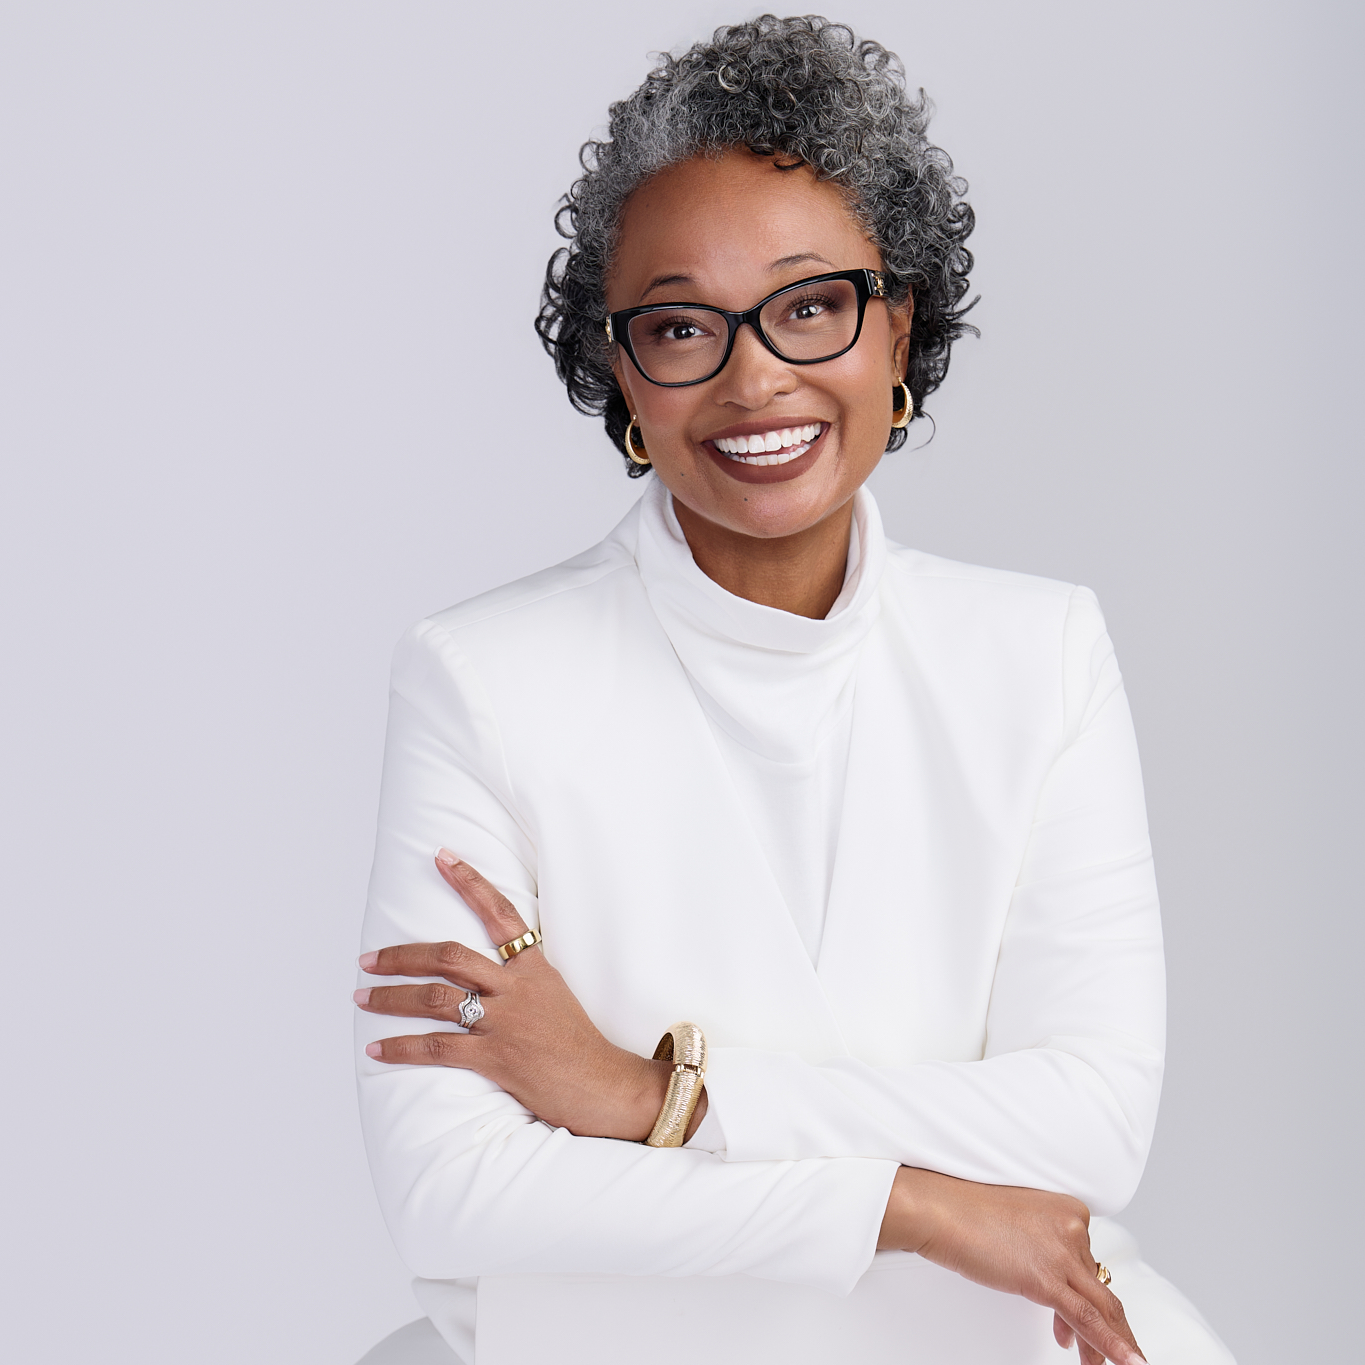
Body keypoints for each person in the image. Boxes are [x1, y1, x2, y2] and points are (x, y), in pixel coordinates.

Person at [353, 16, 1235, 1365]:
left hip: (996, 1328)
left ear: (899, 335)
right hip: (636, 1337)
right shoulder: (480, 678)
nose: (756, 375)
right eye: (681, 325)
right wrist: (915, 1203)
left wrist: (653, 1099)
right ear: (624, 384)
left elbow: (1092, 1126)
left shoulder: (1040, 656)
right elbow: (451, 1193)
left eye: (809, 305)